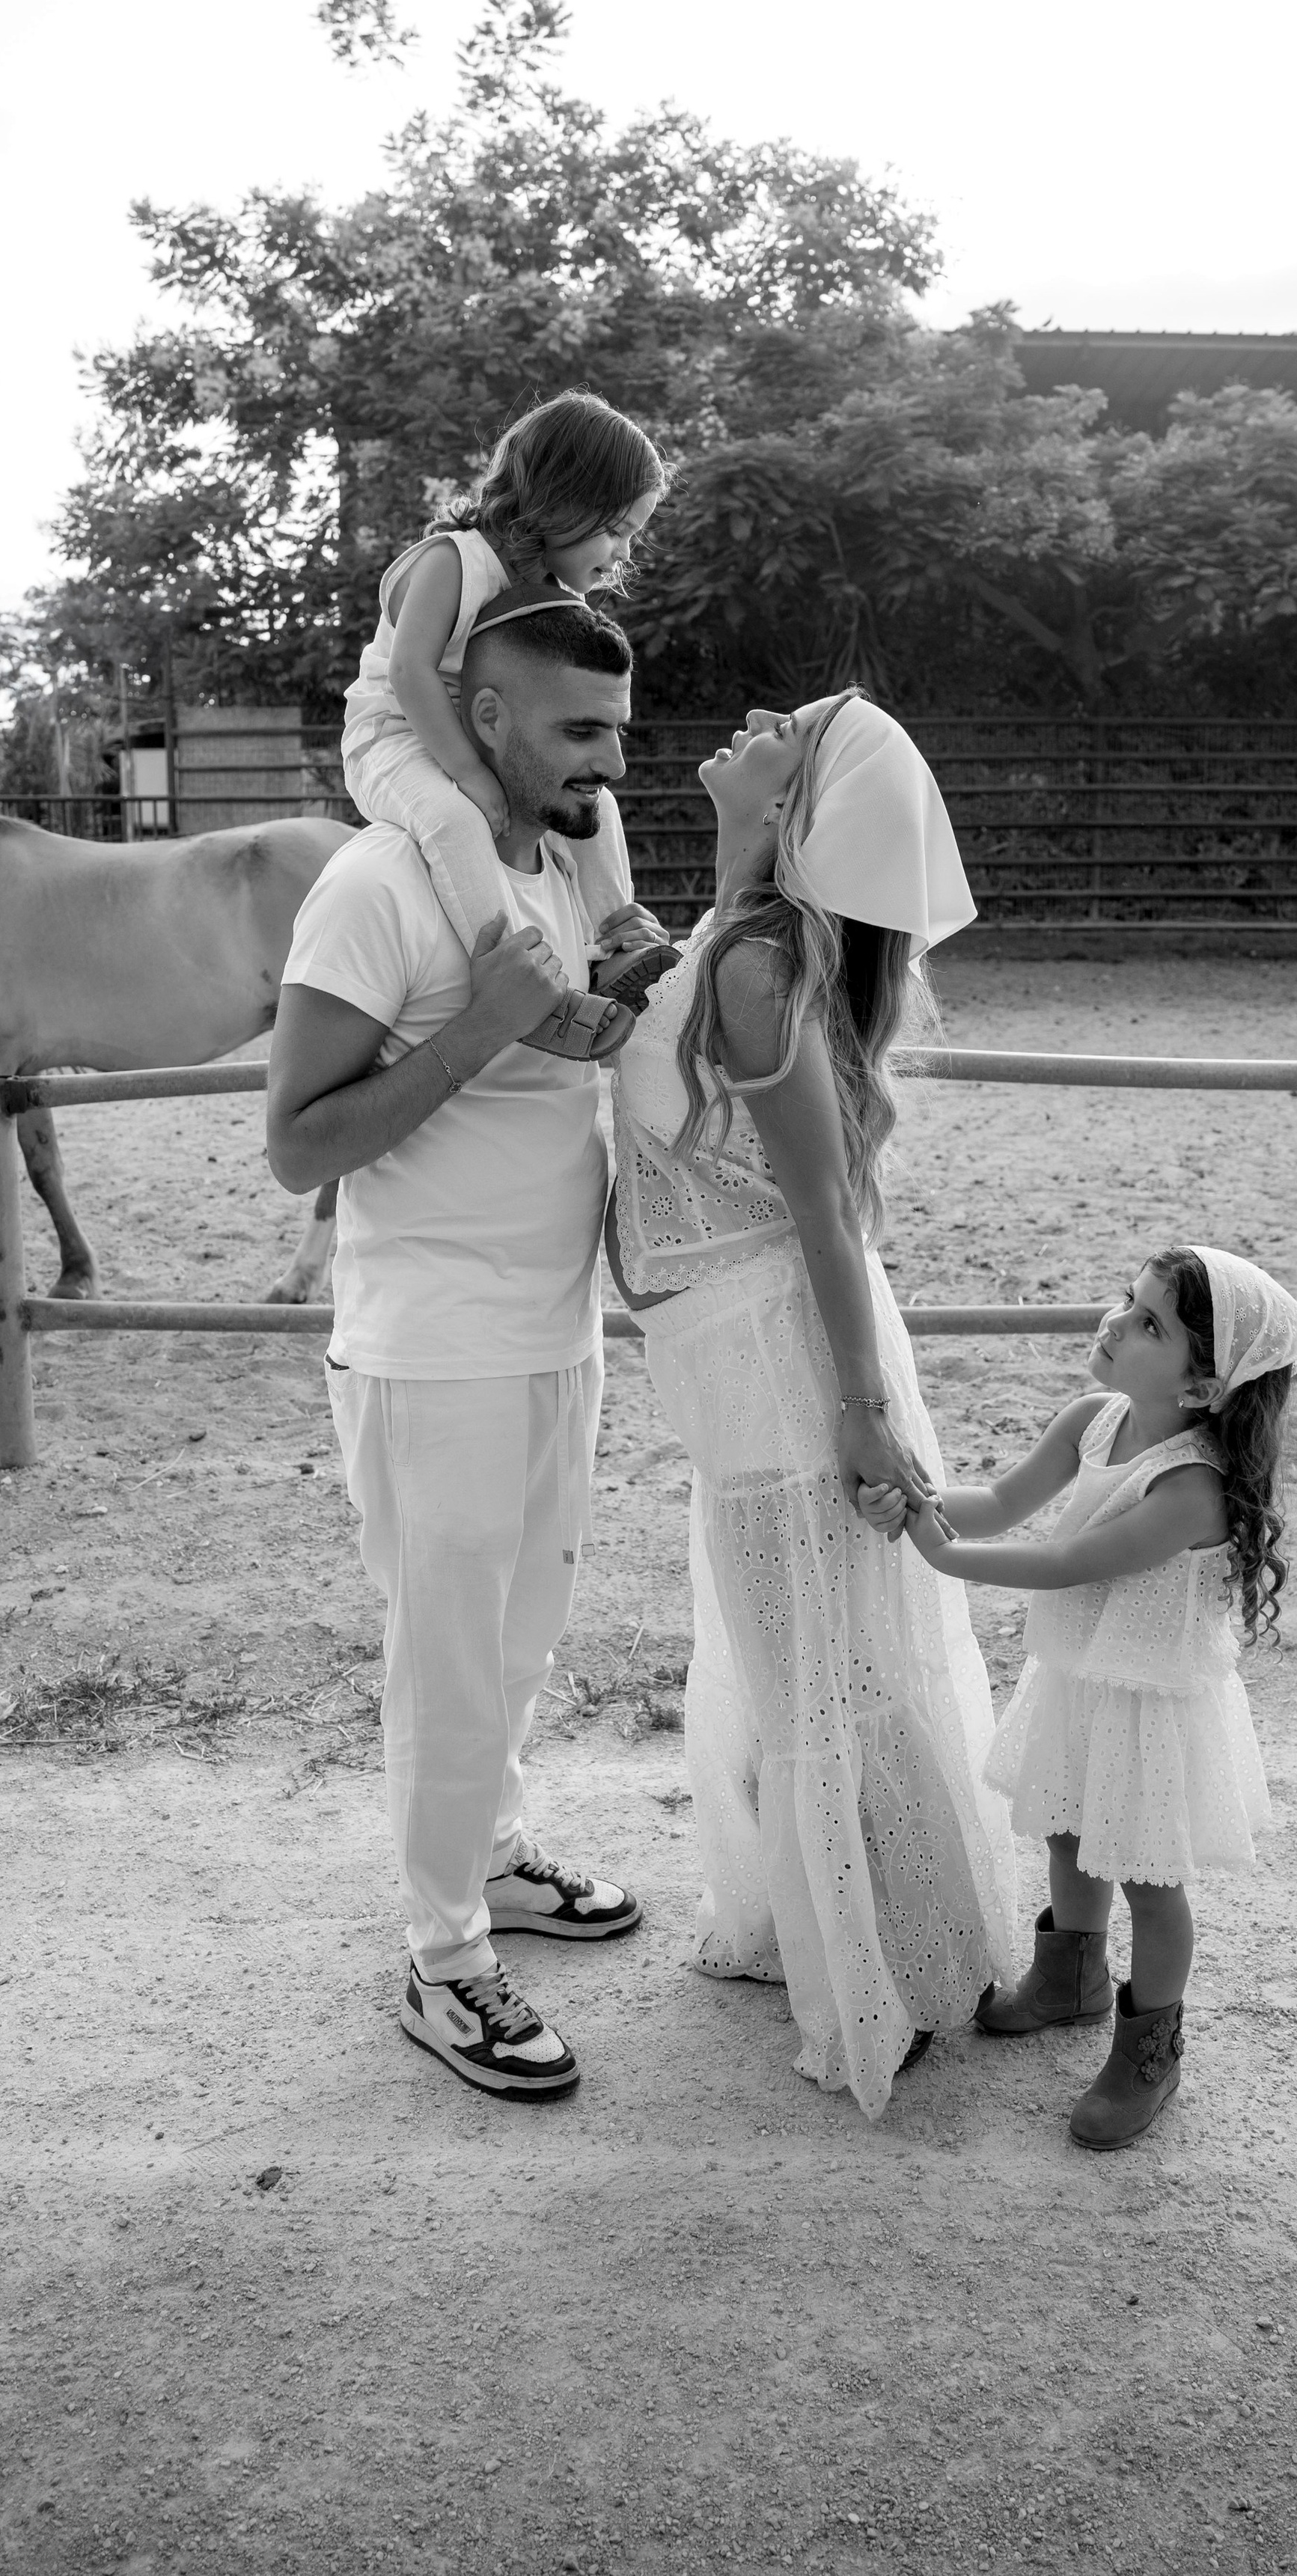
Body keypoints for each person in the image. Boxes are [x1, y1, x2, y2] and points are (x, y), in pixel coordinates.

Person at [267, 591, 664, 2105]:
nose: (606, 764)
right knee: (445, 1658)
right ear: (485, 720)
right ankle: (439, 1961)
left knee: (516, 1638)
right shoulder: (374, 887)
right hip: (428, 1347)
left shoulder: (564, 865)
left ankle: (489, 1859)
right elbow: (295, 1146)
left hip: (556, 1325)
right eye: (577, 731)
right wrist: (472, 1033)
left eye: (620, 732)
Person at [605, 691, 1020, 2122]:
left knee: (818, 1664)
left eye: (790, 726)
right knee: (790, 1645)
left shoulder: (759, 972)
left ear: (808, 808)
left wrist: (856, 1410)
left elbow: (827, 1223)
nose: (753, 717)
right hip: (732, 1358)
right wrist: (735, 840)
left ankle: (877, 1988)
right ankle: (829, 1934)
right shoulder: (746, 932)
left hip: (787, 1360)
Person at [867, 1245, 1297, 2149]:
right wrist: (916, 1500)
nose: (1115, 1322)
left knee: (1151, 1878)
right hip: (1081, 1675)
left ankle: (1149, 2048)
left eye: (1150, 1323)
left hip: (1151, 1700)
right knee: (1069, 1828)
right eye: (1127, 1300)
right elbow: (997, 1502)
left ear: (1202, 1384)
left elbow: (1068, 1562)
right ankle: (1068, 1976)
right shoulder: (1094, 1416)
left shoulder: (1193, 1489)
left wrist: (942, 1554)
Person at [338, 390, 673, 1062]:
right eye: (616, 528)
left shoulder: (555, 592)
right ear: (564, 498)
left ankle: (614, 948)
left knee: (596, 806)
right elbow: (411, 674)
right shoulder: (453, 561)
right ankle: (520, 990)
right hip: (395, 736)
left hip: (480, 737)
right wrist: (468, 772)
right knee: (459, 821)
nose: (623, 550)